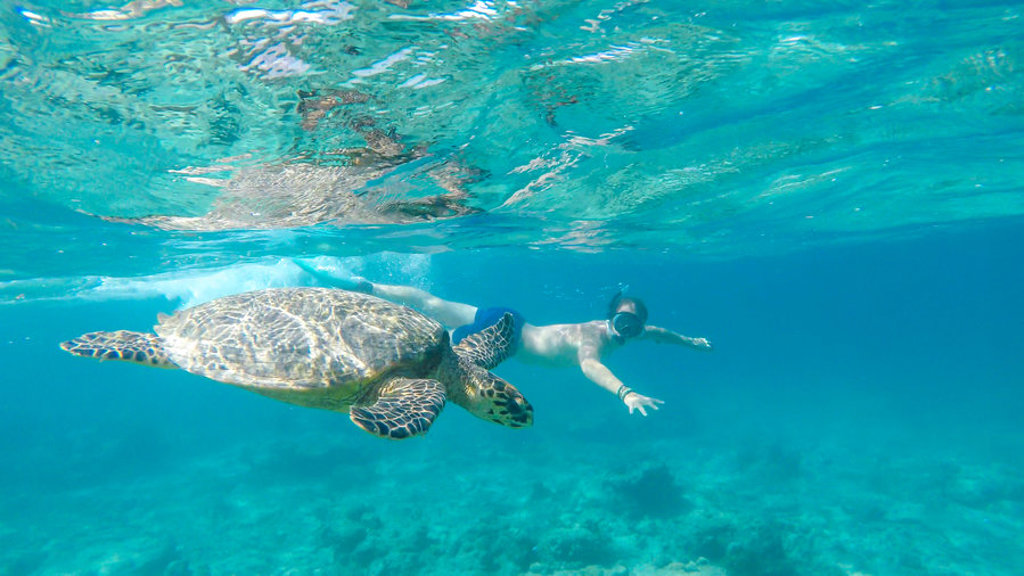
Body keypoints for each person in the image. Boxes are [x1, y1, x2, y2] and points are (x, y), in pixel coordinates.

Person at [329, 275, 712, 416]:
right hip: (503, 338)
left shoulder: (635, 331)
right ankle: (357, 327)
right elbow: (589, 365)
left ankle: (368, 288)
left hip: (508, 317)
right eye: (623, 320)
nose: (628, 329)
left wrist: (691, 343)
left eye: (634, 324)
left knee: (433, 305)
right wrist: (625, 393)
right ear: (611, 317)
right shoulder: (593, 336)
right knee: (434, 346)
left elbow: (661, 333)